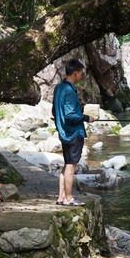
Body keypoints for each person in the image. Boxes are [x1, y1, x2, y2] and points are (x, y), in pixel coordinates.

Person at [52, 59, 95, 206]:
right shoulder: (69, 91)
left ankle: (61, 197)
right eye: (81, 73)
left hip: (64, 133)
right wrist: (86, 117)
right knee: (71, 166)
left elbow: (55, 111)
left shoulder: (59, 88)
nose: (82, 76)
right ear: (75, 73)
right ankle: (69, 198)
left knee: (66, 165)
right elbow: (70, 116)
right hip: (73, 133)